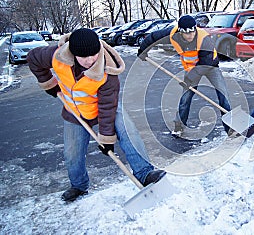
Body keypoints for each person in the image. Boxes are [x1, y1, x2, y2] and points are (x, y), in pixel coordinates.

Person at [27, 28, 165, 202]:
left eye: (94, 54)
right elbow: (33, 58)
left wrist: (106, 139)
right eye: (84, 57)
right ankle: (78, 185)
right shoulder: (56, 56)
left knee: (128, 131)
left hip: (105, 107)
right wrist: (49, 85)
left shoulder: (108, 71)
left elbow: (107, 107)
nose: (91, 60)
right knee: (72, 152)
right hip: (74, 111)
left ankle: (145, 173)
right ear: (72, 53)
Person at [137, 15, 232, 136]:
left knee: (223, 94)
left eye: (192, 32)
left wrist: (189, 79)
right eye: (187, 34)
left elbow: (205, 64)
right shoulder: (172, 34)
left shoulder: (204, 38)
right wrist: (142, 51)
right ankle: (179, 125)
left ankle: (230, 126)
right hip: (191, 68)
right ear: (181, 32)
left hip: (210, 66)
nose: (190, 36)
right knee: (185, 98)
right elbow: (153, 37)